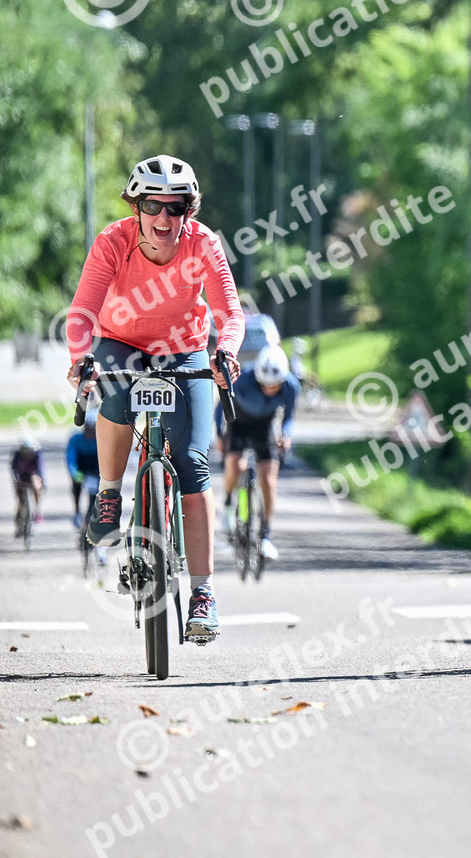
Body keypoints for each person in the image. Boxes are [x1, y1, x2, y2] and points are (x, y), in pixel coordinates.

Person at [66, 155, 242, 644]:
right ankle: (108, 494)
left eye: (175, 207)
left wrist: (226, 352)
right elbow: (82, 311)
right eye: (152, 206)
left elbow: (229, 312)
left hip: (185, 349)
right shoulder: (113, 242)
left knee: (193, 464)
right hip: (122, 342)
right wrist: (81, 359)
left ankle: (203, 594)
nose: (164, 217)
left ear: (189, 210)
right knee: (116, 395)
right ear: (135, 207)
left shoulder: (203, 244)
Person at [216, 343, 299, 560]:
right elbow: (220, 407)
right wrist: (219, 435)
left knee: (269, 478)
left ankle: (265, 536)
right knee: (235, 464)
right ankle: (228, 504)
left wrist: (285, 435)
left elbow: (289, 416)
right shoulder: (242, 379)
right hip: (239, 423)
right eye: (264, 385)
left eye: (274, 386)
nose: (269, 389)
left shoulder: (291, 385)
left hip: (265, 426)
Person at [66, 411, 101, 530]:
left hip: (96, 468)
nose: (90, 432)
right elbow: (70, 459)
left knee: (99, 491)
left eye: (93, 429)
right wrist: (74, 473)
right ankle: (77, 510)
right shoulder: (75, 439)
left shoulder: (102, 439)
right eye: (88, 429)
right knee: (76, 486)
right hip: (81, 469)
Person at [11, 437, 45, 533]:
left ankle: (36, 509)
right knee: (21, 502)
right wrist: (16, 479)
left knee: (37, 485)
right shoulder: (17, 455)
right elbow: (14, 469)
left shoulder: (37, 455)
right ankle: (18, 523)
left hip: (33, 476)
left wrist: (39, 479)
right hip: (21, 477)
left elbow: (40, 469)